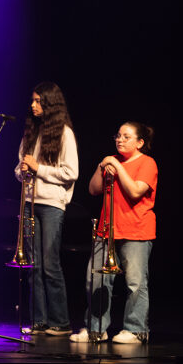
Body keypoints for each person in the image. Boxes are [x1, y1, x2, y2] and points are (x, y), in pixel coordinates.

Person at [72, 122, 157, 344]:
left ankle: (136, 329)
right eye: (118, 135)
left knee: (135, 283)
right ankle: (96, 328)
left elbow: (136, 191)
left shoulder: (147, 163)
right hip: (107, 230)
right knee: (97, 279)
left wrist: (116, 167)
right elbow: (93, 189)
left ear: (140, 142)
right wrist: (103, 166)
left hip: (136, 230)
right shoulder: (111, 161)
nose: (119, 140)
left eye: (126, 137)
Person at [17, 81, 79, 336]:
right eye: (32, 101)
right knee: (33, 265)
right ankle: (39, 321)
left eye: (38, 101)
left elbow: (71, 172)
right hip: (30, 203)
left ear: (50, 104)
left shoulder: (64, 133)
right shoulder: (31, 133)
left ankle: (61, 322)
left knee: (50, 264)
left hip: (52, 205)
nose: (33, 106)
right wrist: (22, 170)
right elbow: (20, 166)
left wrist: (37, 168)